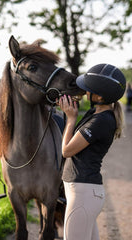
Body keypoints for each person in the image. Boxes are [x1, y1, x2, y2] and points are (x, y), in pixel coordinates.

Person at [57, 63, 126, 240]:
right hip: (84, 194)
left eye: (88, 90)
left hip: (83, 195)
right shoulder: (95, 114)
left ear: (100, 97)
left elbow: (66, 150)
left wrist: (71, 119)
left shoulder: (101, 121)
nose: (85, 92)